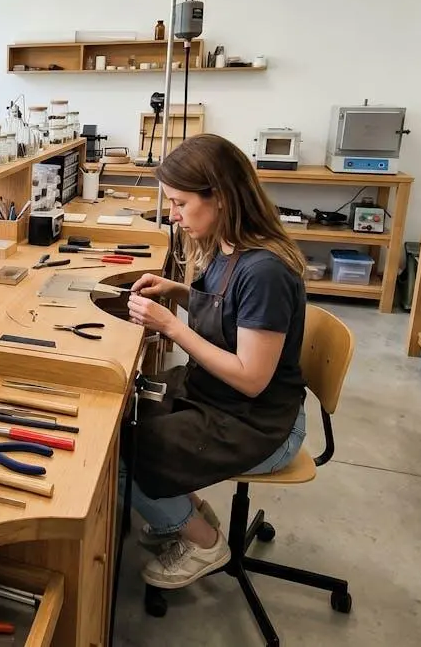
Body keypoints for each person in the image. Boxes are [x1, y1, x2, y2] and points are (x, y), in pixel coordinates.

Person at [124, 133, 309, 590]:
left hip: (260, 422)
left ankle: (203, 541)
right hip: (218, 396)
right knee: (126, 410)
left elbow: (251, 379)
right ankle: (185, 514)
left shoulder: (263, 271)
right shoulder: (228, 246)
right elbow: (231, 315)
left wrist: (173, 326)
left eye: (181, 203)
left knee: (121, 447)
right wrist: (179, 292)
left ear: (221, 197)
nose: (173, 215)